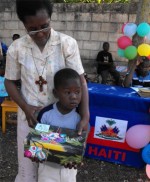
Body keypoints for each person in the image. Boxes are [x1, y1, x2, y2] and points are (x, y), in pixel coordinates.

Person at [4, 0, 89, 181]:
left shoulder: (67, 44)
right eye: (32, 29)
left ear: (51, 18)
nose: (40, 33)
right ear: (24, 25)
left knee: (58, 168)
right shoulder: (16, 48)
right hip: (30, 118)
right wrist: (25, 107)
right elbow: (9, 82)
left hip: (62, 119)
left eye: (45, 26)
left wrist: (85, 116)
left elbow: (80, 81)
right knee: (29, 168)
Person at [37, 68, 83, 182]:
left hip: (69, 169)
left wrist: (78, 158)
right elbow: (38, 139)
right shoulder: (46, 114)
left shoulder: (80, 117)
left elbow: (82, 142)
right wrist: (37, 153)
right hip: (47, 168)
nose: (73, 96)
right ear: (56, 93)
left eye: (77, 92)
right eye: (68, 92)